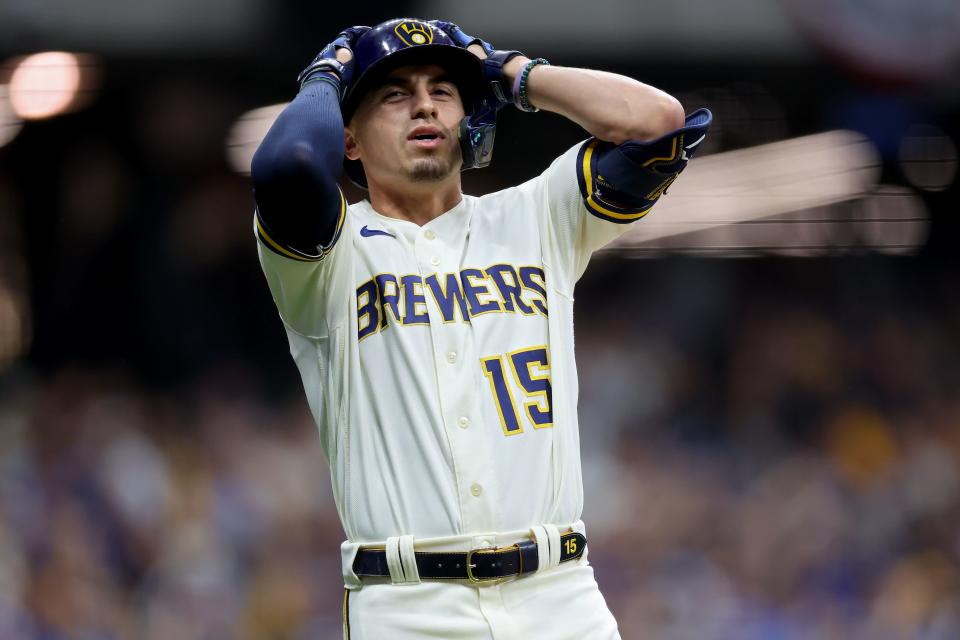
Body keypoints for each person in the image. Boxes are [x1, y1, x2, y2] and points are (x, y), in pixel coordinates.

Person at [250, 17, 711, 640]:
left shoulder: (536, 215)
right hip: (408, 605)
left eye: (443, 90)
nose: (424, 106)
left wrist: (513, 73)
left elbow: (658, 122)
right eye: (393, 94)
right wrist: (325, 78)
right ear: (350, 141)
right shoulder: (332, 256)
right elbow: (289, 165)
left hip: (560, 596)